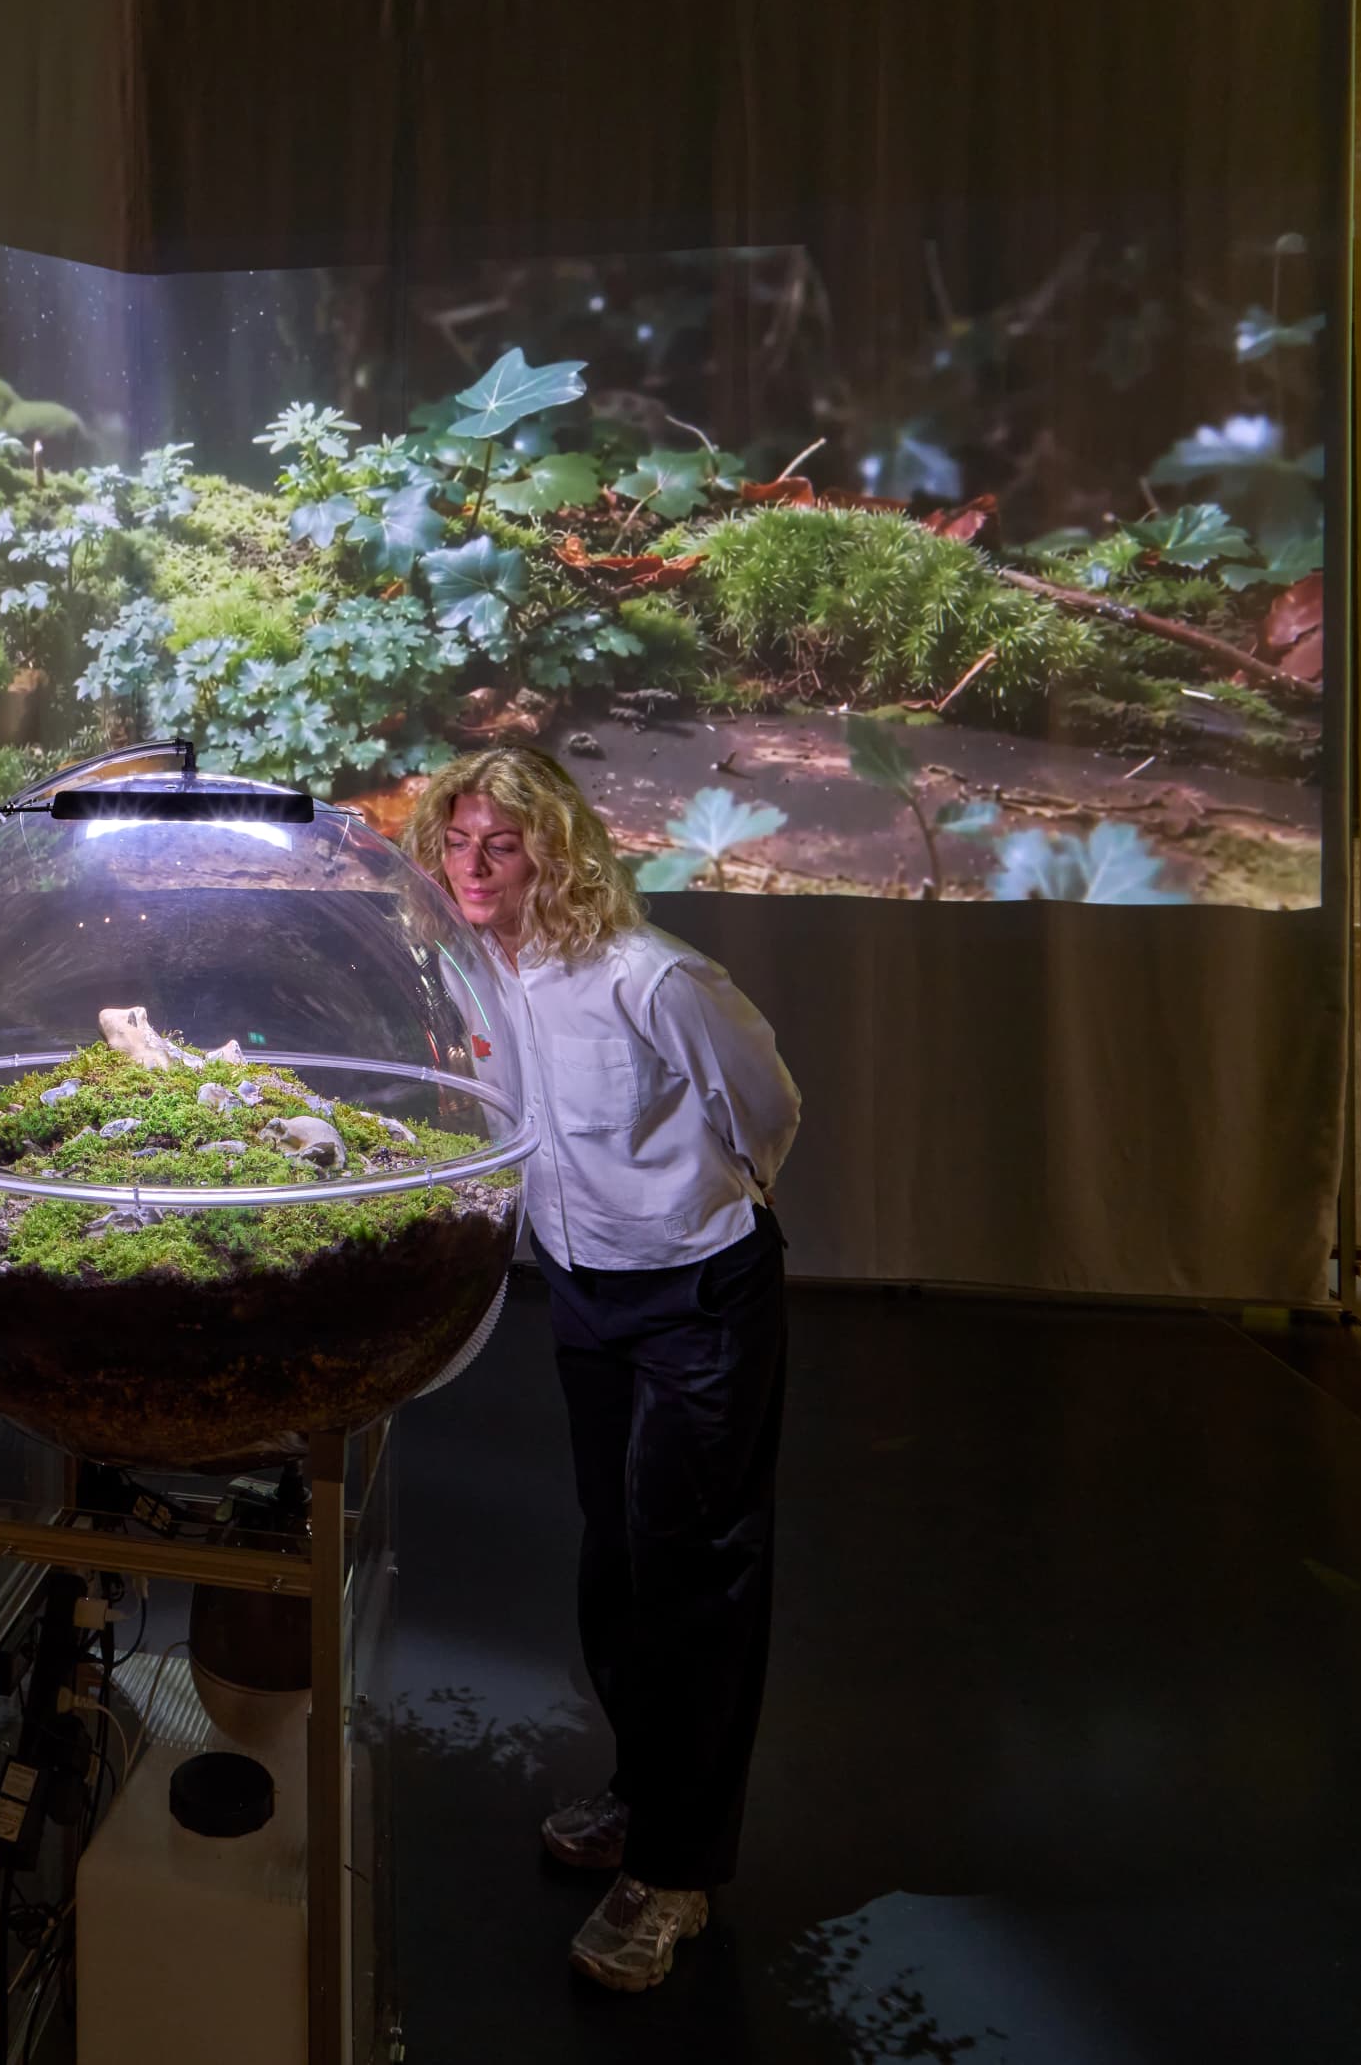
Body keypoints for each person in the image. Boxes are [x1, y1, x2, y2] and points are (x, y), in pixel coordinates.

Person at [403, 745, 802, 1996]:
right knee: (617, 1564)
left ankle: (677, 1873)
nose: (473, 866)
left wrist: (705, 1206)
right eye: (457, 842)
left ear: (554, 852)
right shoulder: (478, 973)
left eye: (500, 844)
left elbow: (766, 1103)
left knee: (694, 1577)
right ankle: (645, 1791)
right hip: (585, 1295)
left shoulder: (651, 977)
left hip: (699, 1294)